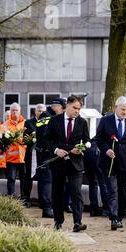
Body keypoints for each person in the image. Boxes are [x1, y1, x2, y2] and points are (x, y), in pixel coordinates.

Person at [43, 95, 90, 232]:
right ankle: (58, 222)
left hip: (75, 163)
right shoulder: (54, 121)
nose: (77, 111)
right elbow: (45, 140)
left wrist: (81, 149)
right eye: (75, 108)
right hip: (58, 163)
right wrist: (56, 150)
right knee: (57, 193)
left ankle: (77, 222)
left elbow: (88, 141)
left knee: (76, 192)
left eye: (79, 109)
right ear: (67, 106)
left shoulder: (82, 122)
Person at [95, 96, 126, 231]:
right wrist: (107, 149)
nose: (125, 112)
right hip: (109, 162)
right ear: (116, 108)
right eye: (123, 110)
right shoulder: (105, 120)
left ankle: (120, 217)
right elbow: (99, 138)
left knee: (122, 191)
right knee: (112, 190)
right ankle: (113, 218)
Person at [35, 98, 66, 218]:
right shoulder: (45, 116)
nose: (63, 110)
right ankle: (46, 208)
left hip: (55, 153)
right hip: (45, 153)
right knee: (46, 180)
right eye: (61, 107)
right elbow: (43, 136)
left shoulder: (58, 116)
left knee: (54, 180)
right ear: (56, 106)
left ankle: (54, 205)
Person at [22, 104, 46, 208]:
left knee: (43, 178)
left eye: (42, 111)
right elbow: (25, 139)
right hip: (31, 154)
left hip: (43, 154)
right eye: (39, 111)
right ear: (35, 112)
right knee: (28, 177)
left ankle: (43, 201)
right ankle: (26, 200)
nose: (40, 112)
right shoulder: (28, 122)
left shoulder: (48, 122)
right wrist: (33, 139)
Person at [4, 103, 26, 198]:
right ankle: (11, 199)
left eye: (16, 110)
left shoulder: (26, 123)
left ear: (20, 111)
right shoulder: (5, 125)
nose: (14, 112)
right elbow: (2, 141)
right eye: (12, 110)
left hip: (24, 158)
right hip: (11, 158)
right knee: (11, 179)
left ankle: (24, 199)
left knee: (24, 179)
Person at [84, 137, 109, 217]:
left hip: (88, 153)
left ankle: (93, 209)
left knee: (92, 183)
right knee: (103, 183)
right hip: (97, 154)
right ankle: (106, 209)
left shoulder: (93, 139)